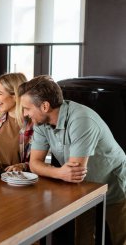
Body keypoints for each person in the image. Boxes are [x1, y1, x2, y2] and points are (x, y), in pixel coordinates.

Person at [19, 75, 126, 245]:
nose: (24, 113)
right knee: (83, 239)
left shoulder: (81, 120)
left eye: (26, 108)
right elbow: (34, 164)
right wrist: (60, 172)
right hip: (83, 189)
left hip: (112, 182)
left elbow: (75, 174)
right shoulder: (40, 123)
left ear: (45, 106)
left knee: (120, 238)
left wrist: (57, 172)